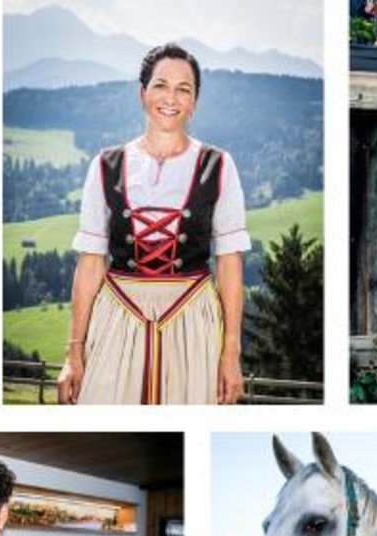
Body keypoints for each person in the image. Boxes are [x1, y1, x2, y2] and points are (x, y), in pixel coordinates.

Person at [57, 43, 250, 405]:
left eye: (184, 89)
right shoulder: (105, 165)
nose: (171, 98)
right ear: (141, 92)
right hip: (118, 313)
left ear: (195, 101)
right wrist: (73, 353)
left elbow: (229, 265)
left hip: (193, 315)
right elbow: (90, 264)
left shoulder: (219, 165)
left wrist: (230, 354)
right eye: (160, 85)